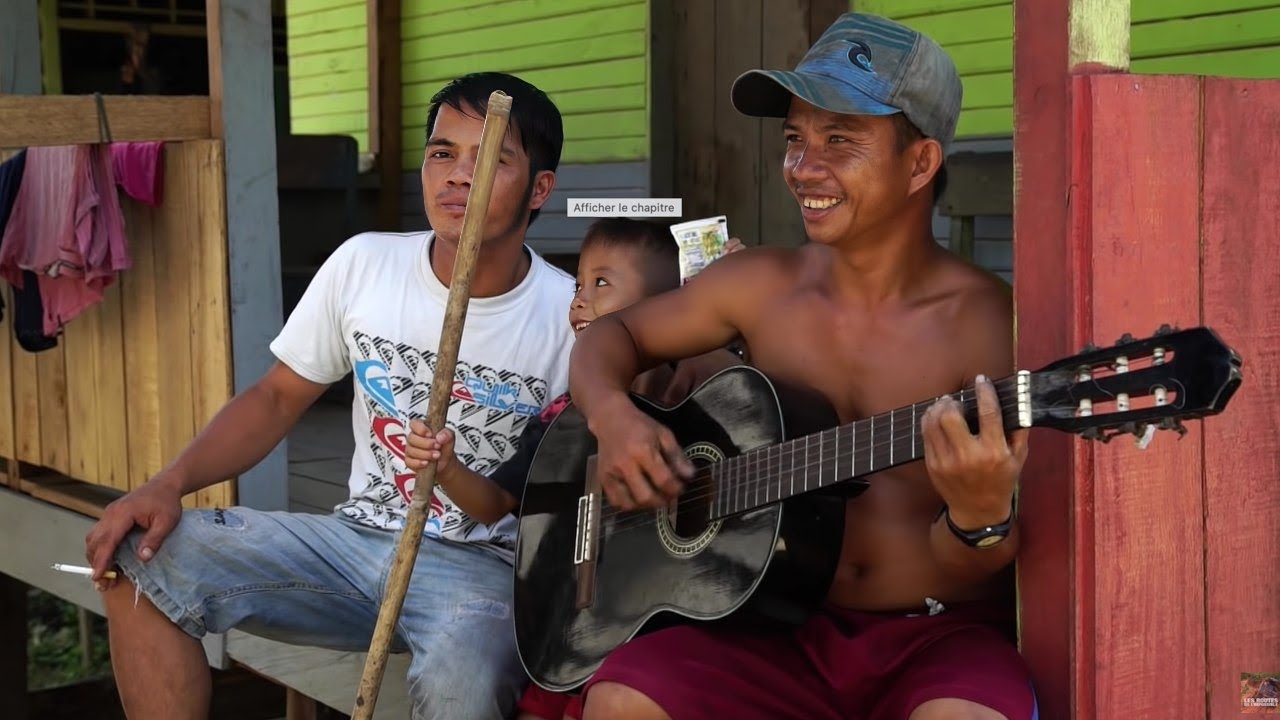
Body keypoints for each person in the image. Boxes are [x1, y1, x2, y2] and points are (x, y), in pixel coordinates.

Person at [565, 13, 1038, 720]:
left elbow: (980, 566)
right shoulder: (760, 285)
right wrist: (613, 416)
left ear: (920, 163)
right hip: (775, 626)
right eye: (795, 138)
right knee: (623, 698)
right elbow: (613, 339)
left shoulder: (992, 328)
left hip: (936, 634)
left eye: (839, 141)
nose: (803, 167)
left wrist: (979, 517)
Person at [82, 71, 577, 720]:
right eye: (441, 153)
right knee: (144, 558)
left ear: (540, 187)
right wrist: (169, 482)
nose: (457, 176)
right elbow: (278, 398)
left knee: (468, 680)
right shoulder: (365, 264)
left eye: (489, 160)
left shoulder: (570, 317)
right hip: (351, 543)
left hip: (480, 570)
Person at [402, 216, 744, 720]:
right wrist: (446, 467)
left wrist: (727, 301)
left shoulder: (702, 394)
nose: (579, 298)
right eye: (579, 283)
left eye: (601, 283)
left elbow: (751, 389)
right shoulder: (567, 419)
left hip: (673, 629)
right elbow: (495, 503)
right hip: (580, 626)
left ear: (664, 305)